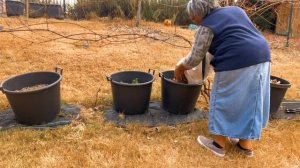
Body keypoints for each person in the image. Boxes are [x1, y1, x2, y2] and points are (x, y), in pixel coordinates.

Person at [175, 0, 271, 157]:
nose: (194, 21)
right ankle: (245, 145)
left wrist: (180, 67)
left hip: (235, 59)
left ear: (200, 14)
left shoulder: (206, 25)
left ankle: (218, 144)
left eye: (193, 18)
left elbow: (195, 57)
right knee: (249, 100)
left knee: (223, 98)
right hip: (262, 56)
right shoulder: (235, 10)